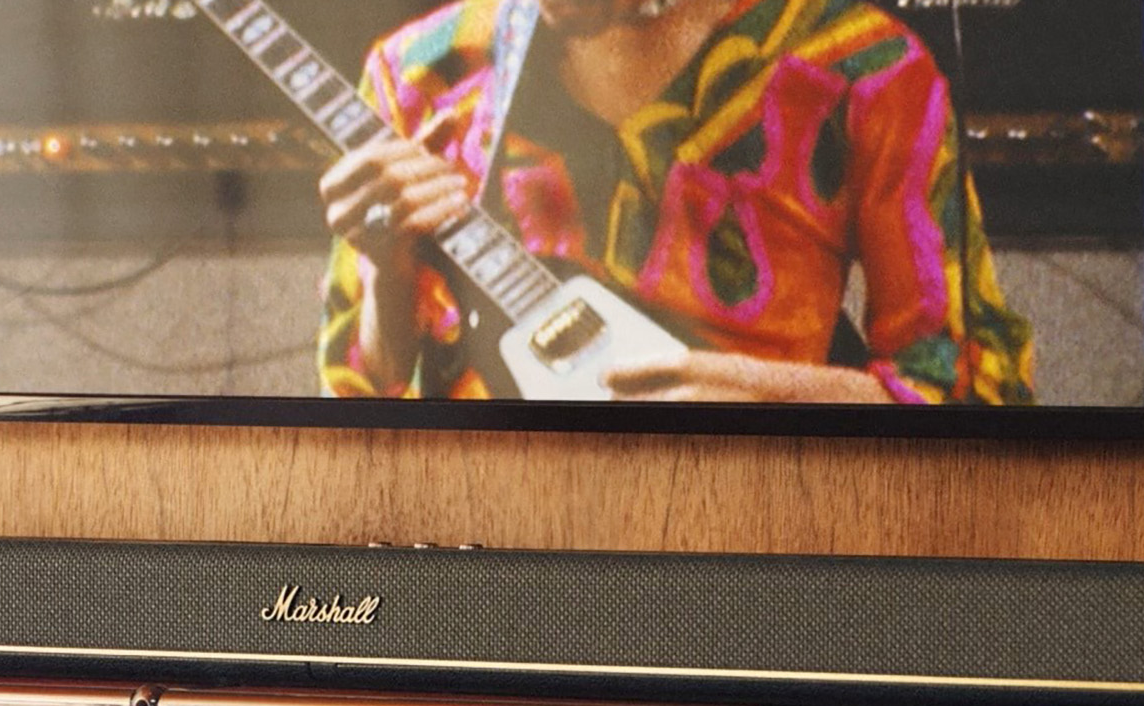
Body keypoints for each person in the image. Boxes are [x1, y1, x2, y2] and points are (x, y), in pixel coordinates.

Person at [316, 0, 1035, 404]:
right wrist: (386, 274)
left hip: (745, 561)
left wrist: (771, 405)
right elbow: (357, 397)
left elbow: (978, 394)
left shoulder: (865, 68)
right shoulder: (419, 69)